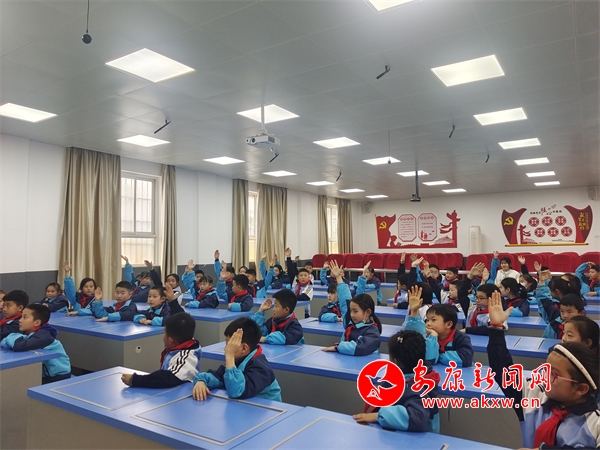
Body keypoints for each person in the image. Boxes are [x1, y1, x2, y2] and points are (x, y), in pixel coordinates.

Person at [486, 291, 599, 449]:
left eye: (553, 374)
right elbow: (503, 371)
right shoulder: (534, 396)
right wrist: (496, 330)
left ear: (580, 388)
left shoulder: (595, 422)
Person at [352, 330, 440, 432]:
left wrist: (379, 416)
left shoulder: (418, 388)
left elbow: (418, 418)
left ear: (395, 361)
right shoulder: (404, 377)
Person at [191, 317, 281, 401]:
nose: (225, 349)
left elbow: (236, 392)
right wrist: (201, 381)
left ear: (244, 348)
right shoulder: (240, 360)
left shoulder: (261, 369)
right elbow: (218, 376)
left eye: (229, 346)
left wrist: (230, 355)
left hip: (268, 410)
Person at [121, 313, 201, 388]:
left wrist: (135, 380)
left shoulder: (186, 357)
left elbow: (167, 378)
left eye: (164, 333)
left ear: (170, 341)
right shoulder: (180, 345)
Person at [322, 261, 382, 356]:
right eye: (351, 311)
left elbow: (360, 347)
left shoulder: (372, 331)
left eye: (355, 311)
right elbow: (344, 300)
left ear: (367, 312)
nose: (351, 314)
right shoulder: (350, 322)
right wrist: (338, 278)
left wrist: (338, 347)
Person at [1, 303, 71, 384]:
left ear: (37, 322)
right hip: (44, 372)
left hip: (57, 376)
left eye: (25, 317)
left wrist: (12, 338)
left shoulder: (44, 336)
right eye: (21, 317)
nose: (20, 320)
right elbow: (3, 342)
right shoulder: (28, 331)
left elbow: (19, 345)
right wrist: (13, 339)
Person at [404, 287, 474, 367]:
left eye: (433, 320)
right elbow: (429, 359)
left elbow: (465, 359)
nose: (428, 324)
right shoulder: (428, 337)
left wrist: (437, 356)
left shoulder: (461, 338)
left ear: (448, 324)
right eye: (427, 320)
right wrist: (414, 312)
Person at [538, 270, 586, 339]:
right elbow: (544, 299)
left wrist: (542, 282)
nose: (565, 315)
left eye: (569, 312)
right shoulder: (555, 320)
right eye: (562, 311)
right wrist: (543, 281)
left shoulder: (584, 328)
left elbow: (544, 299)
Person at [284, 247, 313, 318]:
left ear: (308, 277)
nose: (303, 277)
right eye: (301, 276)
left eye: (305, 275)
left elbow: (304, 297)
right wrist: (288, 257)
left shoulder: (309, 287)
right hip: (292, 310)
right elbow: (290, 271)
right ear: (298, 277)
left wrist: (290, 297)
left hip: (304, 313)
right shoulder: (295, 284)